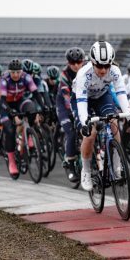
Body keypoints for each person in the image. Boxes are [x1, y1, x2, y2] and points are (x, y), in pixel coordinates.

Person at [72, 41, 130, 191]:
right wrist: (84, 122)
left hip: (101, 97)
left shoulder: (115, 71)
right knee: (90, 134)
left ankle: (117, 166)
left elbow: (120, 93)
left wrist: (129, 116)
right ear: (92, 62)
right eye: (99, 66)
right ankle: (85, 171)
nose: (103, 69)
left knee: (113, 123)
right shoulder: (83, 74)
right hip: (83, 100)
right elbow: (81, 101)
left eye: (107, 65)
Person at [0, 59, 47, 177]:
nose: (15, 75)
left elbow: (36, 93)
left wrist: (43, 106)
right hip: (5, 104)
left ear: (21, 72)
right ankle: (12, 162)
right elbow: (3, 100)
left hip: (19, 100)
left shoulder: (26, 77)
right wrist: (11, 112)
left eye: (18, 72)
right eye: (13, 72)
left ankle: (29, 135)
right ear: (9, 72)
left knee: (31, 108)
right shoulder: (5, 80)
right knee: (10, 130)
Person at [57, 47, 86, 182]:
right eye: (72, 63)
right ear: (68, 63)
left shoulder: (87, 71)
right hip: (64, 105)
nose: (76, 65)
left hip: (81, 102)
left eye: (78, 62)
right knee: (71, 132)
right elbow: (66, 96)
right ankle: (69, 164)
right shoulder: (64, 74)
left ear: (83, 61)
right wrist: (74, 112)